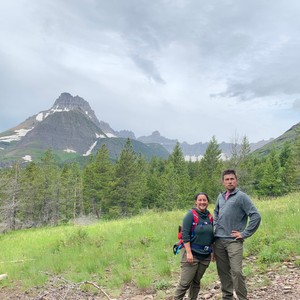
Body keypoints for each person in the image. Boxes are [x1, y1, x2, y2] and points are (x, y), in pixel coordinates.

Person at [214, 169, 261, 300]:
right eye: (227, 179)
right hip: (219, 241)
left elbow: (256, 216)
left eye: (232, 179)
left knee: (236, 271)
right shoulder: (220, 196)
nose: (229, 181)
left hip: (234, 241)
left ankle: (242, 298)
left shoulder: (241, 196)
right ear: (223, 182)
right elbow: (216, 212)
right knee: (223, 272)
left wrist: (245, 233)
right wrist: (215, 227)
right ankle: (227, 297)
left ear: (236, 180)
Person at [174, 192, 214, 300]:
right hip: (191, 255)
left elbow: (212, 236)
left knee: (196, 282)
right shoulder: (190, 215)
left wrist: (213, 252)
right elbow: (185, 235)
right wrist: (188, 253)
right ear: (195, 202)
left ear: (208, 202)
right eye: (200, 200)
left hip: (205, 256)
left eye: (204, 200)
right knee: (185, 283)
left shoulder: (209, 217)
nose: (202, 202)